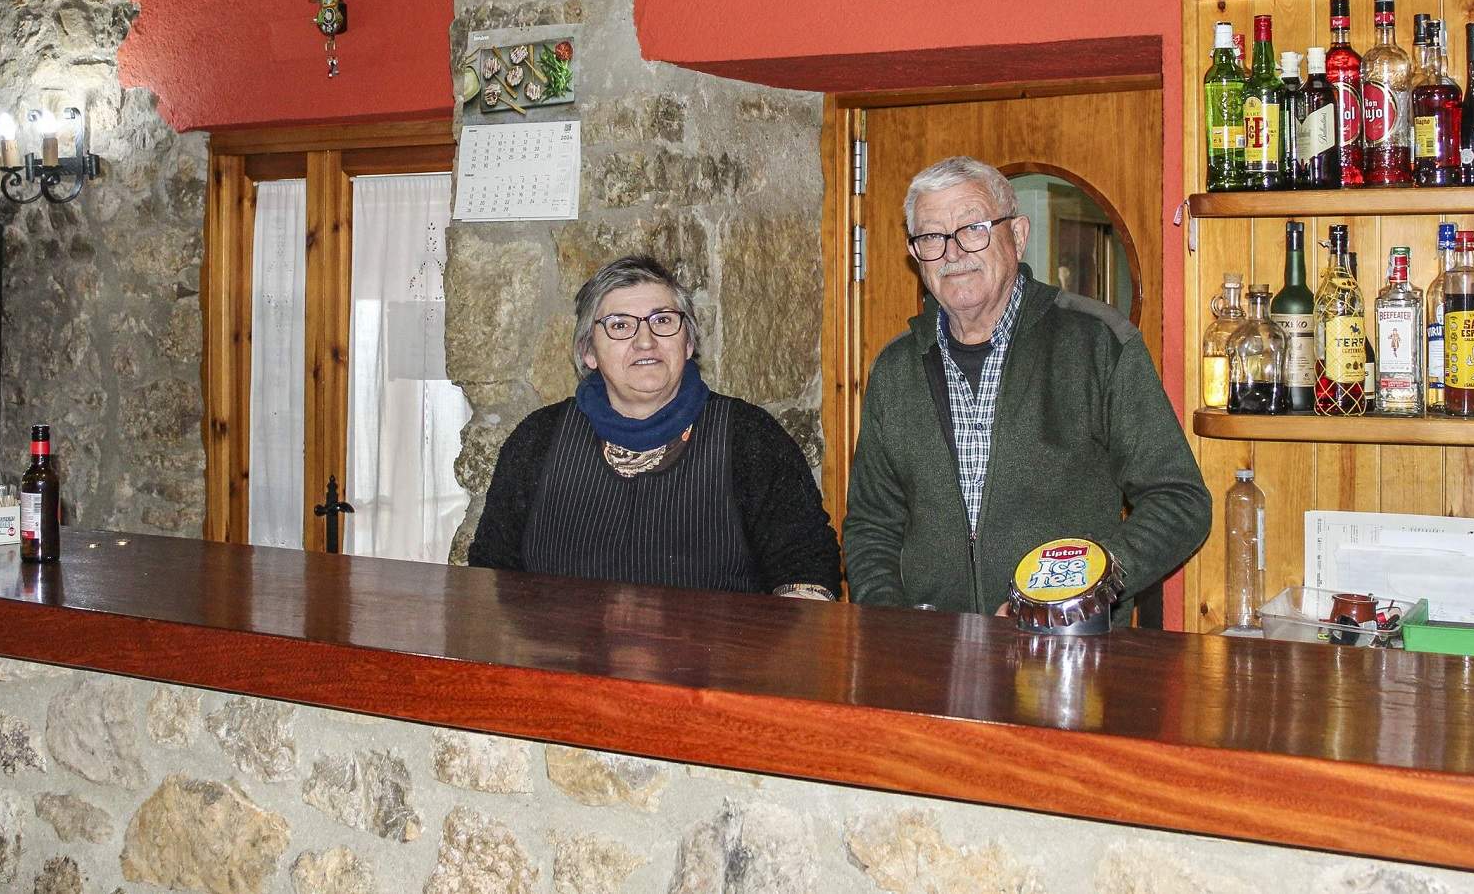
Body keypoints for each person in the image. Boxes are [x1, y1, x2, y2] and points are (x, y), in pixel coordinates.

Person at [842, 157, 1210, 617]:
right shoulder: (896, 368)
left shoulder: (1097, 342)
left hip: (1067, 654)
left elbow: (1179, 501)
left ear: (1016, 235)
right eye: (932, 237)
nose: (953, 253)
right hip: (930, 662)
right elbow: (872, 525)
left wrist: (1075, 593)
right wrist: (891, 627)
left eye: (973, 228)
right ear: (915, 255)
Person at [468, 255, 841, 599]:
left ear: (689, 340)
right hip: (558, 667)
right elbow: (490, 576)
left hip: (712, 668)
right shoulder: (537, 441)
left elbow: (807, 569)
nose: (645, 341)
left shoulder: (751, 440)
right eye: (619, 326)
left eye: (663, 320)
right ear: (588, 352)